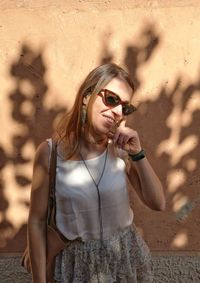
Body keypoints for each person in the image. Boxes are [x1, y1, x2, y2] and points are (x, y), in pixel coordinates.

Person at [28, 63, 166, 283]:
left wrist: (138, 154)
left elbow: (158, 202)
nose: (119, 112)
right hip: (76, 268)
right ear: (87, 96)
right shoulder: (50, 153)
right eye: (112, 99)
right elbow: (36, 221)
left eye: (125, 107)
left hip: (123, 261)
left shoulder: (120, 150)